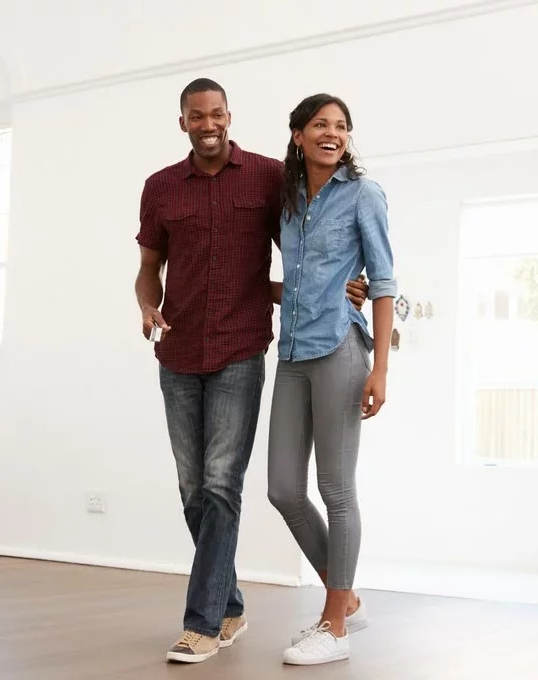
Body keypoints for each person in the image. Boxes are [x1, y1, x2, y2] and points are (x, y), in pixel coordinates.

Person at [134, 78, 368, 664]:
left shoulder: (267, 178)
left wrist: (334, 289)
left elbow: (303, 244)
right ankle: (232, 604)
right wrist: (146, 303)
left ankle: (203, 623)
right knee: (193, 490)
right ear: (182, 121)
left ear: (229, 117)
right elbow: (148, 266)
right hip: (178, 352)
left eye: (216, 114)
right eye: (196, 116)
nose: (208, 123)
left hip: (241, 349)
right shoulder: (160, 188)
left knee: (221, 484)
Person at [266, 93, 396, 666]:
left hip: (341, 349)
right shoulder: (288, 201)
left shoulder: (363, 194)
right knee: (283, 490)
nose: (332, 133)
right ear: (297, 135)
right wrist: (310, 289)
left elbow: (385, 281)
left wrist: (380, 369)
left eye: (341, 127)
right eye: (320, 124)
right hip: (292, 352)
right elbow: (291, 276)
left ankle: (335, 625)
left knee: (336, 489)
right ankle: (348, 599)